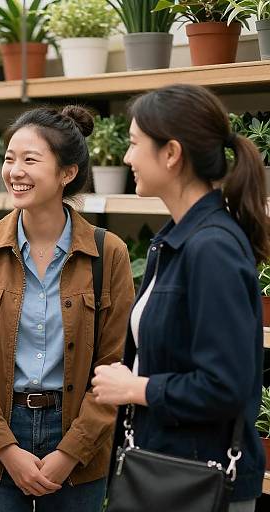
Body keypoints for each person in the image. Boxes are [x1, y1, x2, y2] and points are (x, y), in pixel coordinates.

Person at [0, 105, 134, 512]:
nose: (15, 171)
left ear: (67, 173)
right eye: (10, 158)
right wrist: (6, 449)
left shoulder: (107, 252)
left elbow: (117, 365)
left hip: (79, 441)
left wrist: (70, 452)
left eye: (30, 160)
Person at [92, 84, 269, 512]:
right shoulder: (175, 241)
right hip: (163, 470)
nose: (127, 158)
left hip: (195, 484)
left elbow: (224, 385)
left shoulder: (211, 248)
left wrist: (137, 388)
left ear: (171, 154)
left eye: (134, 144)